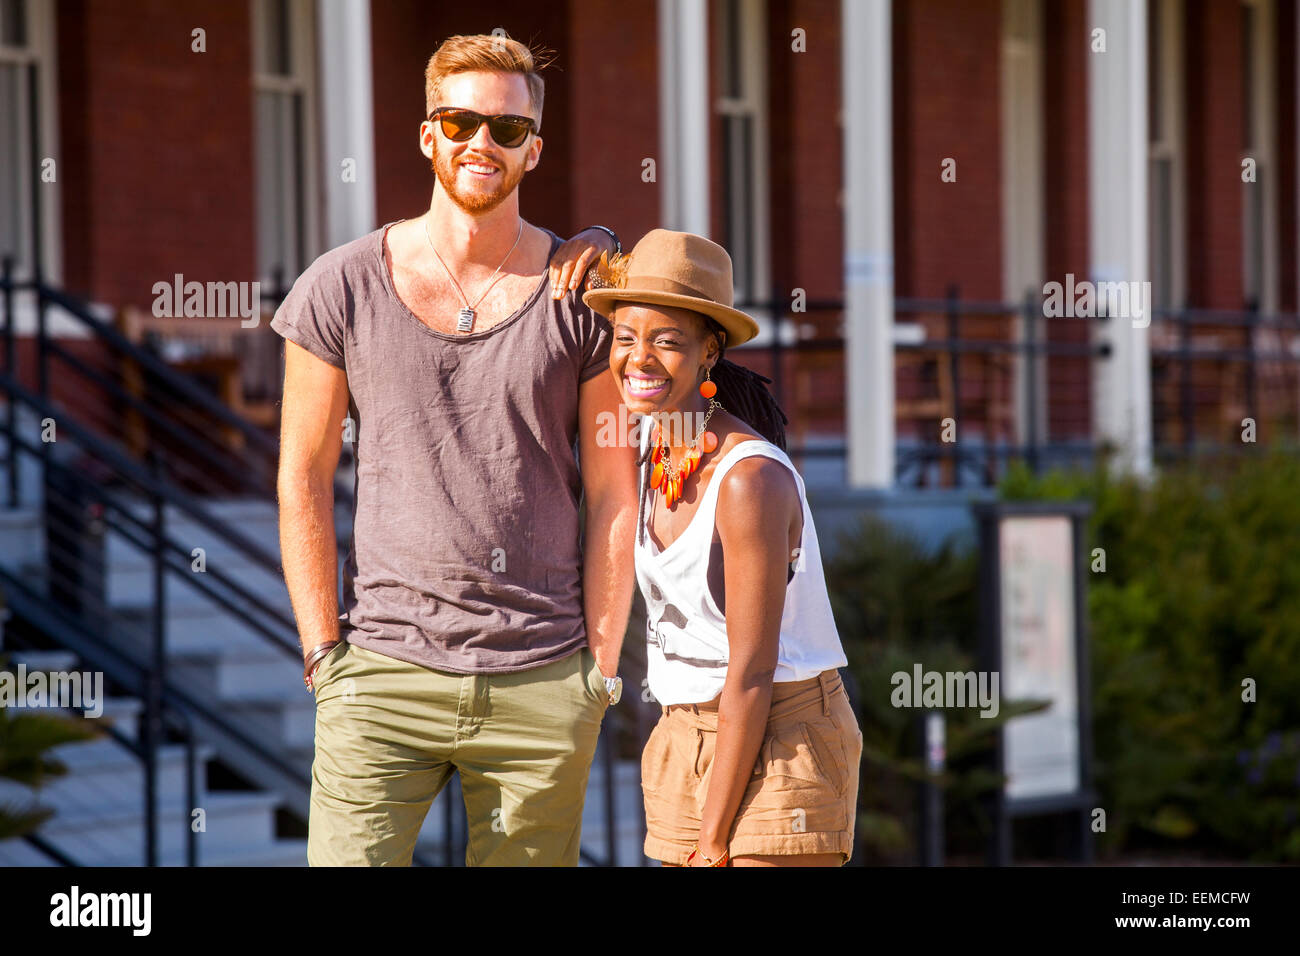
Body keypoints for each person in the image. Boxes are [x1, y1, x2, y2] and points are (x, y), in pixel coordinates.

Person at [273, 33, 638, 866]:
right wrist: (323, 652)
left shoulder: (581, 296)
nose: (483, 142)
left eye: (507, 129)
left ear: (533, 149)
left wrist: (601, 671)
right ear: (428, 133)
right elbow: (302, 474)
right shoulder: (341, 286)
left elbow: (616, 489)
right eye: (461, 121)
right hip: (379, 674)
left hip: (543, 677)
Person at [583, 229, 862, 866]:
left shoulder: (749, 480)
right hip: (684, 734)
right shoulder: (655, 448)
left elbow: (752, 670)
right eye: (625, 337)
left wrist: (712, 842)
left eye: (667, 341)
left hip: (777, 734)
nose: (639, 358)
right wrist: (589, 243)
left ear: (710, 352)